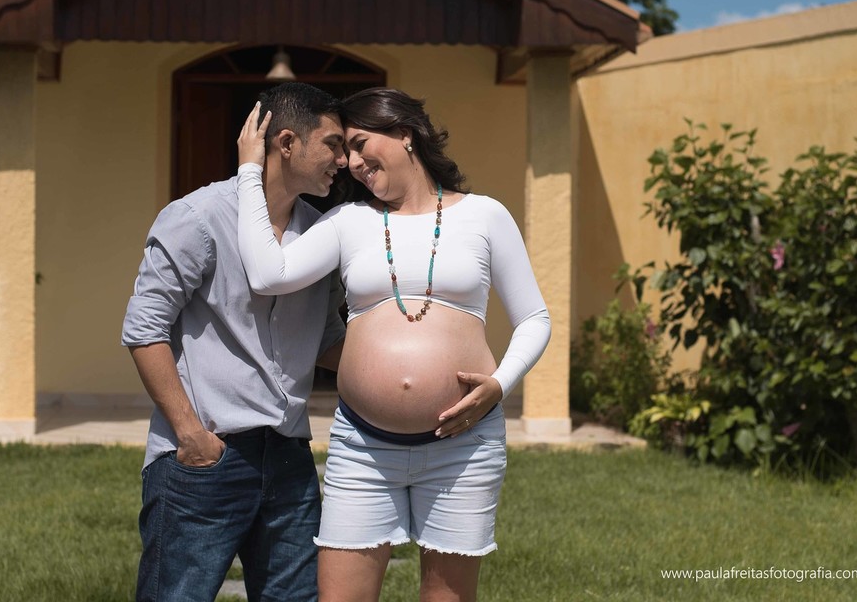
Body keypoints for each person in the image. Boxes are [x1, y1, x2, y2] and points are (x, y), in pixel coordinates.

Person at [235, 88, 551, 602]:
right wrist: (251, 170)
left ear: (405, 135)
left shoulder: (485, 216)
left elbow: (534, 318)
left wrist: (499, 383)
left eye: (359, 144)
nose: (352, 163)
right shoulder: (350, 223)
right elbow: (269, 273)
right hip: (363, 448)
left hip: (463, 450)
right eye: (344, 151)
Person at [122, 82, 349, 602]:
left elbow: (327, 340)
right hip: (205, 458)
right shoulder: (196, 219)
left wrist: (409, 366)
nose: (344, 159)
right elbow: (144, 329)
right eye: (333, 144)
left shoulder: (321, 236)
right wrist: (190, 434)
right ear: (287, 142)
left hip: (290, 458)